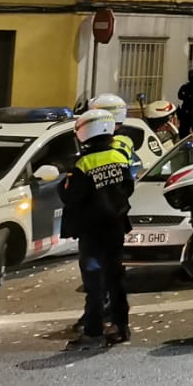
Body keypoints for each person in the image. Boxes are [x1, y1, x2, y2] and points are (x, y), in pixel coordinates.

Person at [60, 109, 135, 348]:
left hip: (92, 231)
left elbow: (71, 196)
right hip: (115, 226)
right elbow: (127, 187)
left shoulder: (84, 163)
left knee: (93, 282)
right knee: (115, 279)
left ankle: (93, 331)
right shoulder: (120, 157)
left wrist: (63, 185)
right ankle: (121, 326)